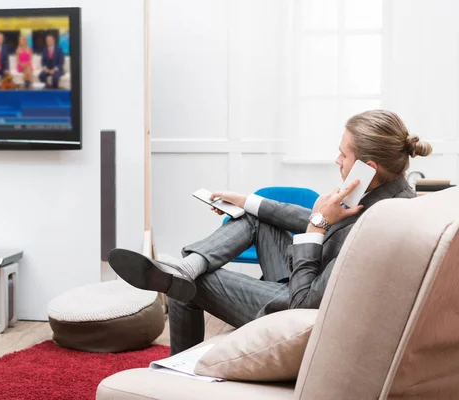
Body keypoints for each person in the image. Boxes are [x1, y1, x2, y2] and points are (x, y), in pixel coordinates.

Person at [107, 109, 433, 355]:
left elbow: (304, 302)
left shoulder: (377, 224)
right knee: (253, 217)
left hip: (297, 308)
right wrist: (247, 200)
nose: (337, 160)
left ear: (369, 166)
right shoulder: (391, 193)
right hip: (305, 282)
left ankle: (178, 366)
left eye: (343, 154)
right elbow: (318, 220)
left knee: (189, 285)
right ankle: (184, 267)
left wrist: (316, 225)